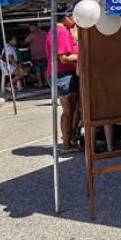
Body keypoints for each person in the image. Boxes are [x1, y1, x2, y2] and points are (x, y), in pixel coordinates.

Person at [46, 13, 80, 153]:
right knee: (68, 111)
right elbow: (64, 58)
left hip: (58, 73)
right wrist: (82, 55)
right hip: (63, 74)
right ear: (66, 17)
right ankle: (66, 145)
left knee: (72, 110)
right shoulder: (61, 32)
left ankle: (70, 139)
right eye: (73, 16)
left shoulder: (54, 30)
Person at [24, 23, 48, 88]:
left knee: (37, 70)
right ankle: (46, 82)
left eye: (31, 27)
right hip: (45, 54)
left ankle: (40, 83)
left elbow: (25, 42)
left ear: (35, 27)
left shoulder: (31, 35)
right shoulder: (45, 33)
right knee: (45, 69)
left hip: (36, 56)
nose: (30, 29)